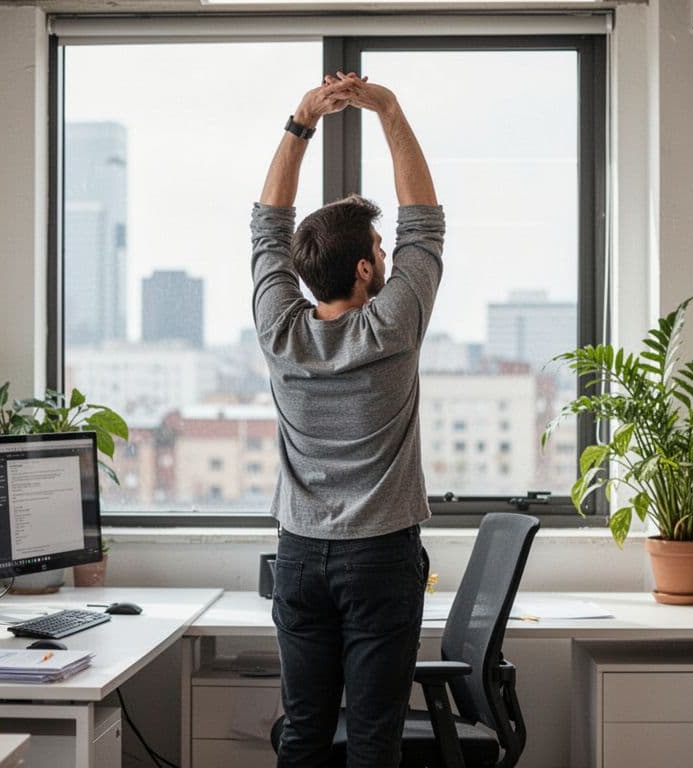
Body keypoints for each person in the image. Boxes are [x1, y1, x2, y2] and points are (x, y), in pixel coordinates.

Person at [251, 72, 444, 767]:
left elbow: (267, 228)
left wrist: (301, 121)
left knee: (302, 733)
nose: (392, 258)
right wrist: (388, 107)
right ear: (365, 269)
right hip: (381, 557)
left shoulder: (279, 329)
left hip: (299, 557)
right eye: (383, 253)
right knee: (372, 741)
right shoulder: (394, 328)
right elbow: (425, 219)